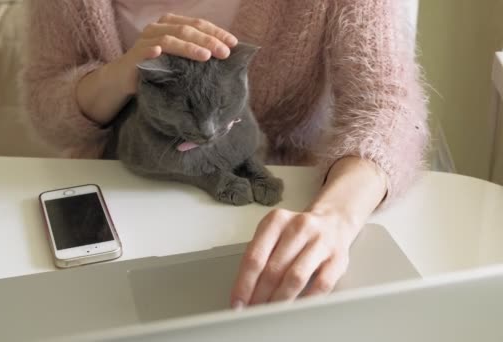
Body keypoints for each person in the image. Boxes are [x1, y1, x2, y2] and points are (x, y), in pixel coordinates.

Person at [23, 0, 429, 309]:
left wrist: (335, 216)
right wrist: (118, 76)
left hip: (275, 211)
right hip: (112, 207)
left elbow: (387, 107)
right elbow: (46, 109)